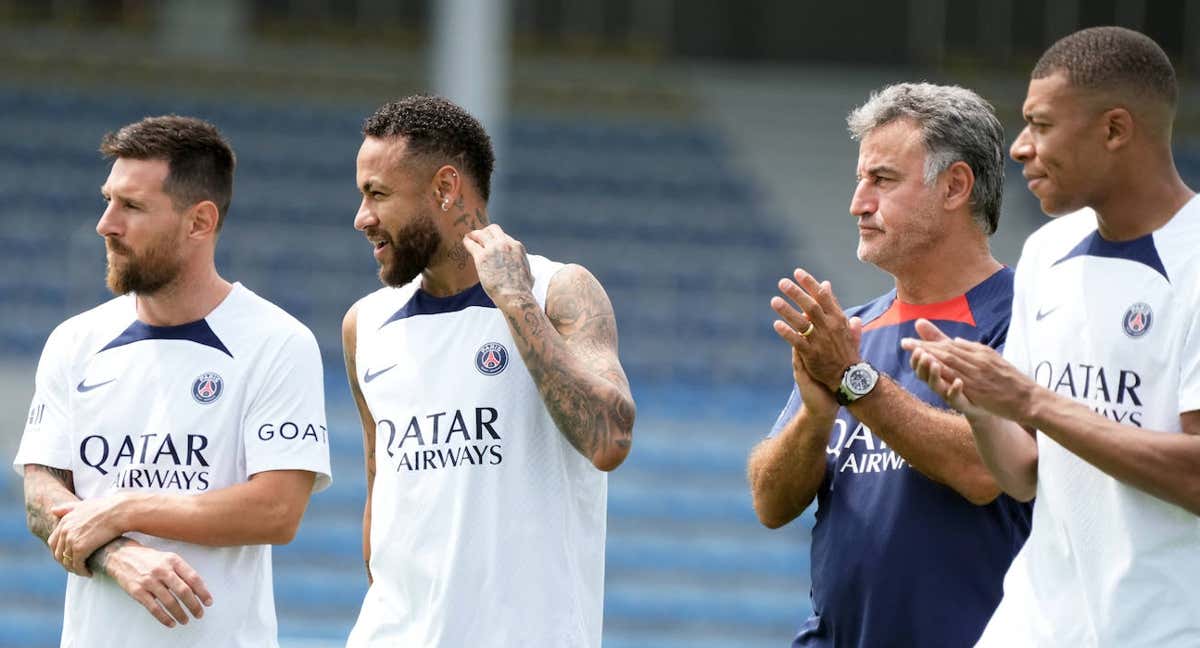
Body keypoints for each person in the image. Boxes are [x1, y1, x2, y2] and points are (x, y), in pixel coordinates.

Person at [904, 27, 1200, 646]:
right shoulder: (1047, 252)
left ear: (1115, 130)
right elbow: (1025, 474)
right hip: (1034, 623)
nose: (1018, 148)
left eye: (1040, 125)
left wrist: (1032, 402)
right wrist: (982, 409)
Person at [14, 116, 332, 647]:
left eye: (132, 207)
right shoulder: (74, 341)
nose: (105, 224)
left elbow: (277, 510)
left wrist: (126, 507)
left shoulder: (276, 341)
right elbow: (40, 492)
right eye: (108, 200)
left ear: (199, 222)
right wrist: (118, 553)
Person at [341, 95, 635, 647]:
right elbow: (382, 493)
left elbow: (610, 438)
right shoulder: (364, 325)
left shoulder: (557, 290)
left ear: (446, 188)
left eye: (377, 194)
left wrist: (515, 300)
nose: (363, 218)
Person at [747, 83, 1031, 647]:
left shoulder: (1029, 314)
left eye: (882, 180)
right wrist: (816, 413)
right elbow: (770, 503)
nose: (858, 202)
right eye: (861, 180)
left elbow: (986, 472)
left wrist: (855, 383)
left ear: (955, 187)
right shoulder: (851, 330)